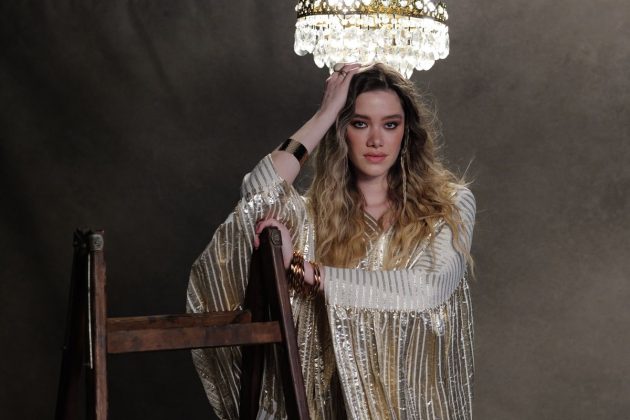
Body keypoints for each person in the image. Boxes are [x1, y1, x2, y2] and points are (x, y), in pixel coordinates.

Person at [186, 63, 476, 419]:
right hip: (326, 406)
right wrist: (324, 114)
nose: (376, 140)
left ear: (406, 132)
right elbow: (257, 193)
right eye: (359, 123)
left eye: (390, 124)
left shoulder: (450, 204)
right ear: (341, 131)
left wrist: (306, 272)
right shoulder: (312, 216)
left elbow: (427, 288)